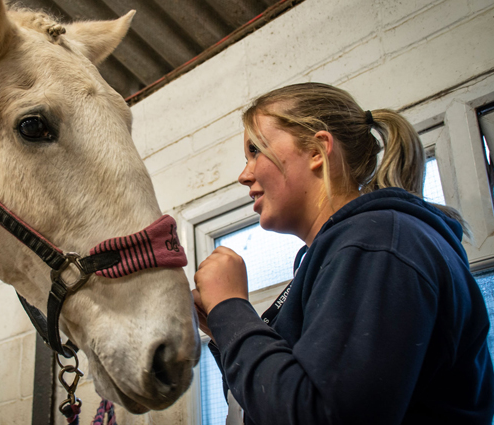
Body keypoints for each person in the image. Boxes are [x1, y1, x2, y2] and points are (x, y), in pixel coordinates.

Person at [192, 82, 494, 424]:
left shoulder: (376, 245)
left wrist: (230, 308)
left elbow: (320, 414)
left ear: (318, 151)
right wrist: (225, 329)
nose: (244, 175)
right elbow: (279, 400)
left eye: (255, 150)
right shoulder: (348, 250)